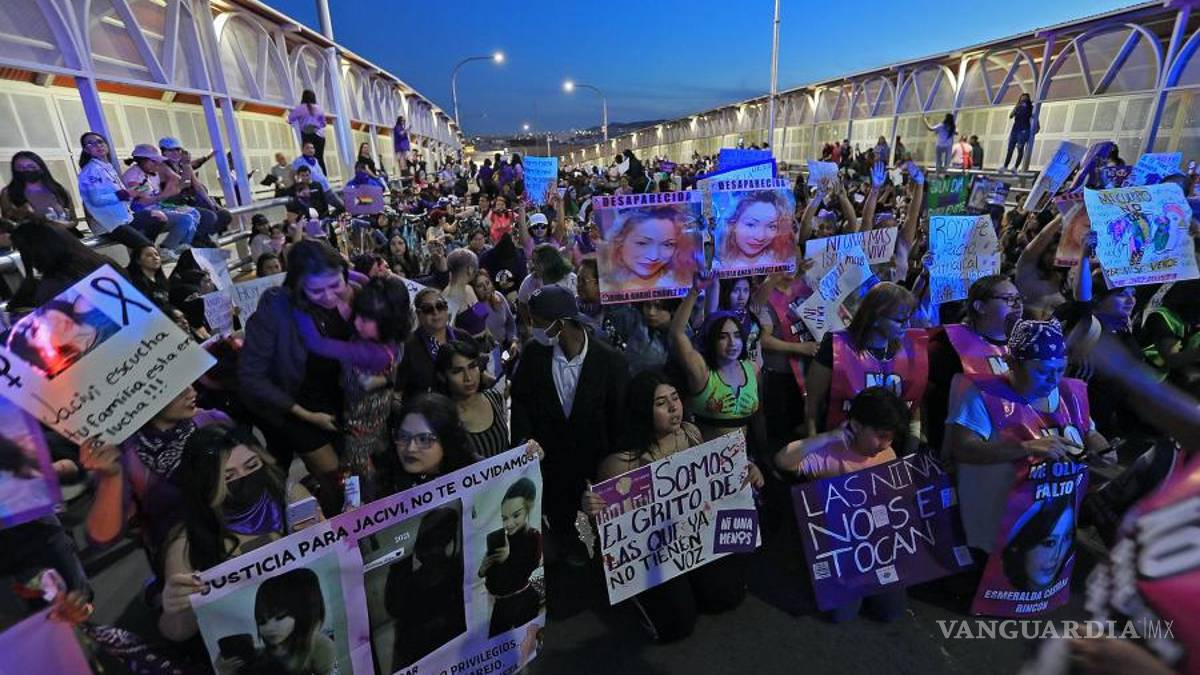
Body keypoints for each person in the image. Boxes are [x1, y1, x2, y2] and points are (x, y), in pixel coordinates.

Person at [580, 371, 759, 641]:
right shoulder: (621, 463)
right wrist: (588, 510)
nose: (674, 407)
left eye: (675, 398)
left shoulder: (692, 433)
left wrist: (748, 470)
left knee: (726, 596)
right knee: (677, 625)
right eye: (661, 403)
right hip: (654, 554)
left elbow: (717, 482)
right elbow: (597, 535)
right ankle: (639, 597)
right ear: (642, 411)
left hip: (693, 541)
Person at [942, 320, 1108, 561]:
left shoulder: (1070, 392)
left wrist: (1102, 449)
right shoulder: (983, 394)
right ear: (1012, 364)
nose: (1053, 380)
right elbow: (963, 449)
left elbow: (1089, 431)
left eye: (1060, 369)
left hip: (1056, 516)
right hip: (999, 519)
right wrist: (1026, 448)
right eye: (1042, 371)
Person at [158, 425, 322, 643]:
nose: (244, 478)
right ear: (206, 484)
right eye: (228, 476)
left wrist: (340, 534)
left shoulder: (292, 498)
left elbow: (328, 564)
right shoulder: (186, 544)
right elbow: (176, 632)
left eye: (251, 465)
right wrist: (176, 607)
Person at [238, 240, 355, 515]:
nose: (329, 296)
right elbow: (250, 377)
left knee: (355, 474)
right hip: (296, 406)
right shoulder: (276, 308)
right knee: (336, 481)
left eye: (335, 285)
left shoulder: (351, 294)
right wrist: (305, 415)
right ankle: (335, 532)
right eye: (318, 290)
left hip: (340, 399)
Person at [775, 386, 910, 622]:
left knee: (891, 613)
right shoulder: (829, 453)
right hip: (838, 548)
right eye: (880, 435)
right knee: (841, 615)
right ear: (856, 425)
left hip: (874, 546)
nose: (886, 444)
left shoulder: (887, 454)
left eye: (890, 437)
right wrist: (826, 437)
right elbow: (782, 460)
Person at [510, 286, 627, 545]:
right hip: (550, 466)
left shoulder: (611, 361)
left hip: (595, 465)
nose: (533, 329)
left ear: (560, 324)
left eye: (538, 323)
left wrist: (614, 469)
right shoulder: (533, 355)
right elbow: (521, 403)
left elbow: (618, 419)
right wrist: (523, 443)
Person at [292, 276, 410, 503]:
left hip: (376, 423)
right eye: (358, 314)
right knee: (363, 488)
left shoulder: (389, 345)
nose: (357, 322)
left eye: (367, 319)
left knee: (377, 481)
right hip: (357, 430)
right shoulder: (363, 342)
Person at [806, 282, 928, 437]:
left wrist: (914, 437)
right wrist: (812, 440)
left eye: (908, 319)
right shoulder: (836, 345)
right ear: (875, 317)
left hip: (890, 444)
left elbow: (912, 400)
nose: (907, 325)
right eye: (900, 321)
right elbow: (813, 402)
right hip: (841, 440)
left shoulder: (910, 349)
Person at [925, 275, 1022, 450]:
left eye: (1018, 298)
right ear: (980, 306)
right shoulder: (948, 346)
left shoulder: (1026, 346)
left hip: (1016, 444)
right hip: (968, 448)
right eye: (1008, 299)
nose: (1017, 305)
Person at [672, 275, 761, 444]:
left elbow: (759, 417)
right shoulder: (701, 371)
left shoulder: (752, 368)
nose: (732, 343)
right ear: (711, 341)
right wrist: (694, 291)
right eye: (723, 337)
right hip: (706, 465)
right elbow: (677, 334)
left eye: (736, 336)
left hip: (742, 460)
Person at [383, 506, 466, 671]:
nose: (433, 550)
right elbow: (394, 608)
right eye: (429, 541)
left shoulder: (455, 570)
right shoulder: (410, 578)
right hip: (420, 655)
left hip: (447, 652)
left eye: (438, 541)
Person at [478, 477, 542, 637]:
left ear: (528, 509)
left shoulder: (533, 537)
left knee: (524, 645)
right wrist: (483, 568)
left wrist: (509, 557)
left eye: (516, 515)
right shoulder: (502, 538)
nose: (509, 523)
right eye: (504, 518)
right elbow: (489, 576)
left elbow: (526, 569)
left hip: (523, 601)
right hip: (500, 605)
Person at [378, 393, 478, 495]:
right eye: (403, 437)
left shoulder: (478, 473)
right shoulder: (380, 482)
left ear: (447, 440)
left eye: (423, 439)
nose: (410, 448)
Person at [75, 132, 155, 249]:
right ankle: (143, 252)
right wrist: (124, 194)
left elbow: (120, 196)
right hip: (109, 224)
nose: (98, 146)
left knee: (157, 218)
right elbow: (96, 200)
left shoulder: (108, 167)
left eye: (100, 142)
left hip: (124, 218)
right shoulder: (90, 171)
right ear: (86, 150)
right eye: (91, 144)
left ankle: (140, 256)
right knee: (148, 247)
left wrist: (134, 192)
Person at [599, 205, 699, 295]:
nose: (654, 256)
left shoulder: (684, 282)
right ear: (620, 243)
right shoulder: (605, 286)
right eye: (642, 243)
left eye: (668, 244)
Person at [121, 144, 198, 256]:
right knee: (186, 219)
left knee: (193, 212)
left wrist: (184, 167)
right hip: (143, 213)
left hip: (157, 208)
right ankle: (165, 248)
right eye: (154, 161)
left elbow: (179, 181)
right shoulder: (133, 176)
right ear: (141, 160)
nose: (157, 164)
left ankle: (183, 246)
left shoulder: (151, 173)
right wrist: (163, 196)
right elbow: (139, 203)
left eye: (158, 161)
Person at [435, 341, 508, 459]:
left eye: (472, 366)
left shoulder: (494, 397)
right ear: (442, 376)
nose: (468, 377)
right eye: (457, 371)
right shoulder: (443, 418)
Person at [713, 191, 795, 272]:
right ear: (733, 224)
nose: (760, 237)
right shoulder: (717, 266)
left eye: (771, 226)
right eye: (751, 225)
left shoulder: (783, 261)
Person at [1, 151, 75, 224]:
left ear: (41, 168)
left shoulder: (60, 190)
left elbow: (73, 219)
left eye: (31, 166)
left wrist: (66, 225)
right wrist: (22, 213)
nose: (26, 170)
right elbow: (8, 222)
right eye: (20, 167)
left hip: (66, 234)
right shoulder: (8, 193)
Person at [289, 89, 328, 175]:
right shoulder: (319, 108)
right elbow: (324, 124)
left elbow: (290, 119)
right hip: (320, 135)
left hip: (307, 134)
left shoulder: (300, 108)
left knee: (308, 158)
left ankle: (311, 177)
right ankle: (324, 177)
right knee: (320, 158)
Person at [126, 244, 171, 310]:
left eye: (157, 254)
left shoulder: (162, 281)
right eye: (149, 255)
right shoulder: (132, 283)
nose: (155, 258)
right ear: (138, 261)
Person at [1002, 93, 1035, 172]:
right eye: (1022, 98)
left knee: (1020, 148)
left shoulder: (1031, 108)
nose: (1023, 100)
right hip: (1015, 130)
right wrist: (1016, 108)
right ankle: (1005, 166)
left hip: (1023, 130)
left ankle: (1015, 167)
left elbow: (1033, 118)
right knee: (1010, 149)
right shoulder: (1017, 107)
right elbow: (1011, 116)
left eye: (1025, 98)